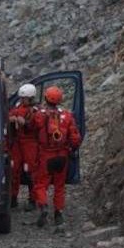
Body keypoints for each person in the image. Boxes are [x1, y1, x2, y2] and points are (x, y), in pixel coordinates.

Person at [32, 86, 82, 229]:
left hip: (46, 155)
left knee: (41, 184)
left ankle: (43, 206)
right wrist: (73, 150)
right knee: (59, 186)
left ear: (46, 98)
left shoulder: (39, 115)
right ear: (60, 100)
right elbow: (75, 138)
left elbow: (31, 128)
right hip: (62, 155)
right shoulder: (67, 116)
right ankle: (58, 213)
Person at [9, 84, 40, 210]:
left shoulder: (37, 111)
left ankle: (33, 199)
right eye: (21, 98)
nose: (21, 101)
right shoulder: (18, 107)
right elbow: (9, 115)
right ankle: (12, 198)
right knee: (13, 169)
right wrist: (10, 118)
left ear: (31, 98)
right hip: (17, 143)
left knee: (31, 172)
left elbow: (38, 126)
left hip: (30, 143)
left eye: (24, 99)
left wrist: (26, 123)